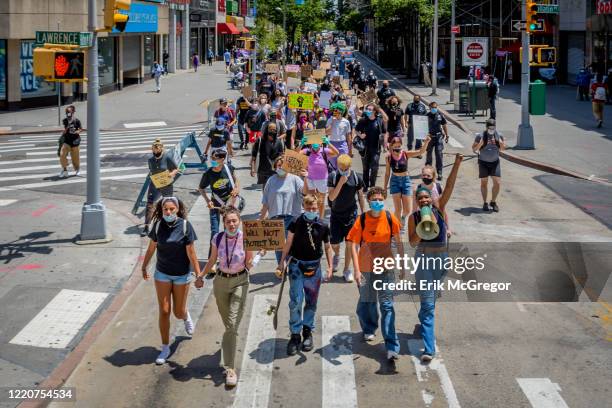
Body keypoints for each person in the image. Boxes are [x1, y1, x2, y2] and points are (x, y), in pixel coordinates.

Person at [408, 154, 463, 362]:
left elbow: (449, 187)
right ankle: (429, 349)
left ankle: (423, 316)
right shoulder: (413, 218)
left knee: (428, 302)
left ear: (431, 198)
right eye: (420, 198)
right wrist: (422, 229)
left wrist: (457, 164)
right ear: (417, 201)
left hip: (441, 259)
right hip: (423, 261)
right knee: (429, 305)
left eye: (426, 197)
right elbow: (412, 242)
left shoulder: (439, 208)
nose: (423, 200)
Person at [196, 207, 253, 387]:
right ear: (224, 223)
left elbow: (249, 264)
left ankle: (230, 368)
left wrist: (259, 255)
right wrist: (201, 276)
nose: (231, 224)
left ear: (239, 221)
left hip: (240, 282)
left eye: (234, 220)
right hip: (221, 282)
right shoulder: (218, 238)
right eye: (228, 221)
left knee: (232, 325)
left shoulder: (246, 238)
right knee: (228, 323)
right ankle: (228, 345)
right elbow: (213, 260)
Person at [141, 197, 200, 365]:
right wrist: (144, 266)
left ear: (177, 209)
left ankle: (185, 315)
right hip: (162, 273)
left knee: (178, 312)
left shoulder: (186, 226)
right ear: (162, 210)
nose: (168, 212)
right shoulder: (158, 225)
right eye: (165, 209)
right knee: (165, 311)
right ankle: (165, 347)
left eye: (172, 209)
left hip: (182, 274)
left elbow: (192, 253)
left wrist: (199, 275)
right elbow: (152, 247)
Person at [347, 186, 403, 362]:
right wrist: (356, 270)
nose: (377, 202)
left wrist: (402, 264)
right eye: (374, 199)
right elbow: (352, 245)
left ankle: (392, 346)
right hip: (365, 269)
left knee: (387, 306)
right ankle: (369, 328)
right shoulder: (361, 220)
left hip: (386, 268)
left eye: (380, 199)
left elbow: (399, 242)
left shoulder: (390, 218)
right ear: (369, 201)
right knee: (367, 302)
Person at [277, 194, 333, 356]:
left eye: (314, 208)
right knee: (295, 301)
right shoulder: (296, 222)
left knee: (311, 301)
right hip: (296, 266)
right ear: (303, 207)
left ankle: (307, 332)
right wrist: (281, 263)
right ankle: (295, 334)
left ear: (318, 208)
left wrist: (330, 266)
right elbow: (288, 243)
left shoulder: (323, 225)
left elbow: (328, 247)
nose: (311, 211)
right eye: (308, 208)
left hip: (314, 267)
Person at [327, 154, 365, 282]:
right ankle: (337, 255)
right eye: (341, 167)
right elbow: (331, 197)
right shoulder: (333, 176)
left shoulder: (356, 177)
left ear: (349, 166)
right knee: (334, 243)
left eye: (346, 167)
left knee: (350, 244)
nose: (343, 170)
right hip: (336, 214)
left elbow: (360, 196)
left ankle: (346, 269)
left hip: (351, 214)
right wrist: (341, 183)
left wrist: (363, 212)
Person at [260, 156, 305, 262]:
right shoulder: (271, 180)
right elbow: (265, 202)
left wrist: (306, 178)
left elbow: (305, 193)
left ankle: (290, 265)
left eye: (283, 165)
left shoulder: (295, 179)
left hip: (292, 217)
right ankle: (281, 267)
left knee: (291, 244)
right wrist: (261, 219)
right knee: (278, 245)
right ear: (275, 167)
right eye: (278, 166)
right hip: (275, 218)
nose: (280, 167)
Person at [198, 149, 240, 256]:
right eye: (211, 158)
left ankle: (229, 254)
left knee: (230, 230)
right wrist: (208, 201)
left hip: (229, 205)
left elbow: (236, 180)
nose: (212, 160)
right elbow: (201, 188)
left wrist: (236, 188)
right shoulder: (208, 173)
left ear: (222, 159)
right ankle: (212, 258)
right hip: (215, 205)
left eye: (214, 158)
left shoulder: (228, 168)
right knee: (215, 231)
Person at [384, 136, 430, 230]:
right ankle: (396, 228)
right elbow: (387, 173)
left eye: (399, 146)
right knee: (398, 209)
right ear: (391, 147)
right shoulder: (388, 157)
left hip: (406, 180)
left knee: (407, 210)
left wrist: (426, 142)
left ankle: (403, 218)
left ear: (401, 145)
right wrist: (384, 187)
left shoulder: (405, 154)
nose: (397, 149)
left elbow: (420, 152)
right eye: (395, 147)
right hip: (395, 181)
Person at [143, 139, 179, 236]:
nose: (156, 150)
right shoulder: (150, 160)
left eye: (158, 148)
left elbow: (176, 169)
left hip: (166, 184)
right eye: (154, 148)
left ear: (162, 148)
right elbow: (151, 170)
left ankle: (170, 223)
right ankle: (146, 225)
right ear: (152, 149)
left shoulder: (167, 157)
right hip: (154, 184)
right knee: (150, 203)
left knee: (167, 203)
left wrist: (171, 174)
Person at [300, 136, 339, 218]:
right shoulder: (307, 151)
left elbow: (336, 153)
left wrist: (328, 143)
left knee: (321, 202)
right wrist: (301, 144)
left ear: (321, 143)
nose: (315, 144)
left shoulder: (324, 151)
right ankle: (311, 218)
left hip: (322, 180)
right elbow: (295, 154)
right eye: (313, 142)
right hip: (310, 179)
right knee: (310, 200)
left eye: (317, 142)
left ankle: (320, 220)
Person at [472, 119, 505, 212]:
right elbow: (474, 149)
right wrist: (480, 144)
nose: (492, 129)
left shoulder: (499, 135)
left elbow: (503, 149)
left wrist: (502, 144)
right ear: (486, 127)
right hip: (483, 162)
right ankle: (485, 203)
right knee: (484, 183)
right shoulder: (480, 136)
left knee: (497, 183)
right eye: (490, 127)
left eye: (493, 127)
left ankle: (493, 202)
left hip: (495, 162)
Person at [355, 104, 388, 191]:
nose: (367, 111)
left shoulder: (379, 120)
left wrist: (385, 145)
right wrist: (360, 135)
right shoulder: (363, 120)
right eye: (367, 109)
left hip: (376, 148)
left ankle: (372, 185)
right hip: (364, 148)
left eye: (370, 109)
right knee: (365, 168)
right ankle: (365, 186)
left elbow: (384, 133)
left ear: (374, 111)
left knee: (374, 167)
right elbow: (356, 130)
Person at [426, 102, 449, 181]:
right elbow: (422, 126)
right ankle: (428, 171)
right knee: (429, 154)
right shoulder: (427, 115)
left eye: (435, 107)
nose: (434, 109)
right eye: (432, 107)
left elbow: (444, 124)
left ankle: (439, 172)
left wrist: (447, 135)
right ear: (429, 107)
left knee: (439, 154)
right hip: (430, 137)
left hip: (438, 137)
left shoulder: (440, 115)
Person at [326, 102, 352, 169]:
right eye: (335, 110)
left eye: (338, 110)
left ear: (341, 111)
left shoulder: (346, 122)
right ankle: (335, 177)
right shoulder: (330, 120)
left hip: (342, 144)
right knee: (334, 165)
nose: (336, 112)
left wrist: (350, 150)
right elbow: (327, 133)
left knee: (343, 165)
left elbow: (348, 136)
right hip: (332, 144)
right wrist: (332, 122)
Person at [58, 105, 82, 178]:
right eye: (67, 112)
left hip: (75, 141)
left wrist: (77, 131)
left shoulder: (77, 121)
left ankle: (77, 170)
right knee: (62, 154)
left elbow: (80, 129)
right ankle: (65, 170)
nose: (68, 113)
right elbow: (64, 131)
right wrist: (68, 126)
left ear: (73, 112)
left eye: (69, 112)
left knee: (75, 158)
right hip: (67, 141)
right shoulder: (65, 121)